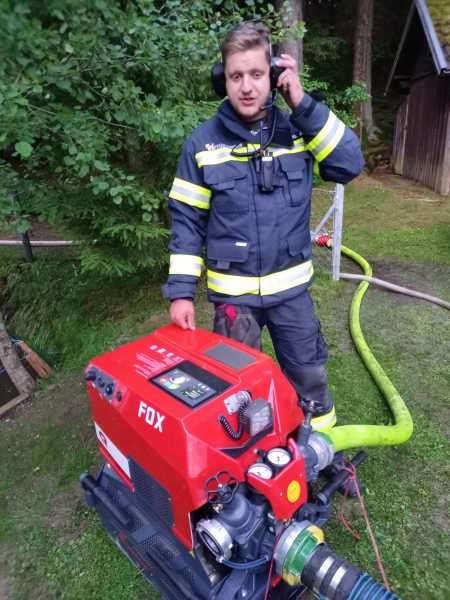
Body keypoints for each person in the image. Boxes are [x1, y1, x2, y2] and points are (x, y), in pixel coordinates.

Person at [163, 22, 364, 431]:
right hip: (234, 301)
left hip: (292, 296)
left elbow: (349, 164)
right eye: (236, 76)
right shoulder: (202, 144)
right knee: (236, 389)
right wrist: (181, 293)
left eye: (256, 74)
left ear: (273, 76)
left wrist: (302, 103)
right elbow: (187, 221)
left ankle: (320, 451)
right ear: (223, 80)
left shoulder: (300, 130)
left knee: (310, 379)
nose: (247, 86)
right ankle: (248, 460)